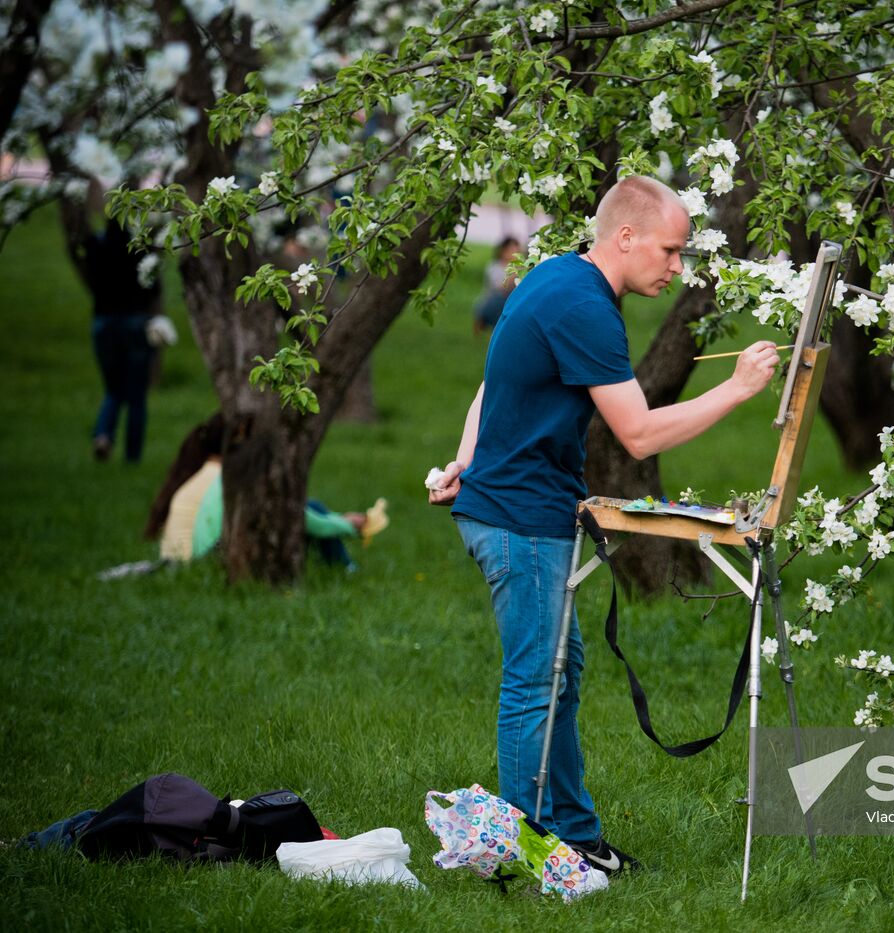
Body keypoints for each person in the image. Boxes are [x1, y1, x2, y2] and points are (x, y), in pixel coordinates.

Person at [427, 175, 779, 875]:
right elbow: (640, 434)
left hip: (515, 506)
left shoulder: (558, 275)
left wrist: (467, 455)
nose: (677, 267)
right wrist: (738, 389)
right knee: (536, 680)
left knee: (563, 668)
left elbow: (490, 380)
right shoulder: (583, 306)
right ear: (626, 236)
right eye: (670, 250)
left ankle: (573, 834)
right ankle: (523, 855)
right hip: (519, 517)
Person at [145, 413, 386, 570]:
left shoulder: (223, 475)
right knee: (311, 509)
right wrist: (349, 526)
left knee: (310, 507)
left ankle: (346, 568)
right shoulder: (243, 476)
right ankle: (347, 570)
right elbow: (300, 518)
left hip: (196, 558)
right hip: (207, 558)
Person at [83, 218, 161, 463]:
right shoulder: (138, 248)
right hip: (136, 323)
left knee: (114, 388)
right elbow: (153, 286)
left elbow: (91, 280)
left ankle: (104, 435)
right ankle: (133, 457)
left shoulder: (96, 245)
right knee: (137, 395)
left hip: (103, 324)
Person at [473, 237, 521, 334]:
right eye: (511, 250)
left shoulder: (520, 268)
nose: (514, 254)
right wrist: (517, 272)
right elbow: (500, 287)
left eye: (516, 250)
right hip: (492, 302)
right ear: (503, 251)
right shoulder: (494, 266)